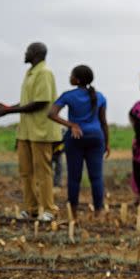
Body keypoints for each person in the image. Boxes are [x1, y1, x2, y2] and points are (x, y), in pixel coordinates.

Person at [0, 42, 62, 221]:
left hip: (41, 131)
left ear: (36, 53)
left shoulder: (44, 73)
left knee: (43, 171)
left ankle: (49, 210)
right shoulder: (30, 73)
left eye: (28, 50)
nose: (25, 53)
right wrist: (5, 109)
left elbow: (41, 102)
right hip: (26, 131)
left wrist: (7, 111)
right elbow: (27, 102)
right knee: (26, 171)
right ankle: (31, 209)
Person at [48, 65, 110, 217]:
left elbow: (51, 113)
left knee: (74, 177)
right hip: (97, 138)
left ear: (77, 79)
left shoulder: (68, 96)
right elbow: (103, 122)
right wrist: (107, 143)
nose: (69, 77)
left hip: (75, 138)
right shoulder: (100, 96)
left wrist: (72, 125)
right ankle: (98, 212)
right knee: (96, 177)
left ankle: (73, 212)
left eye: (71, 75)